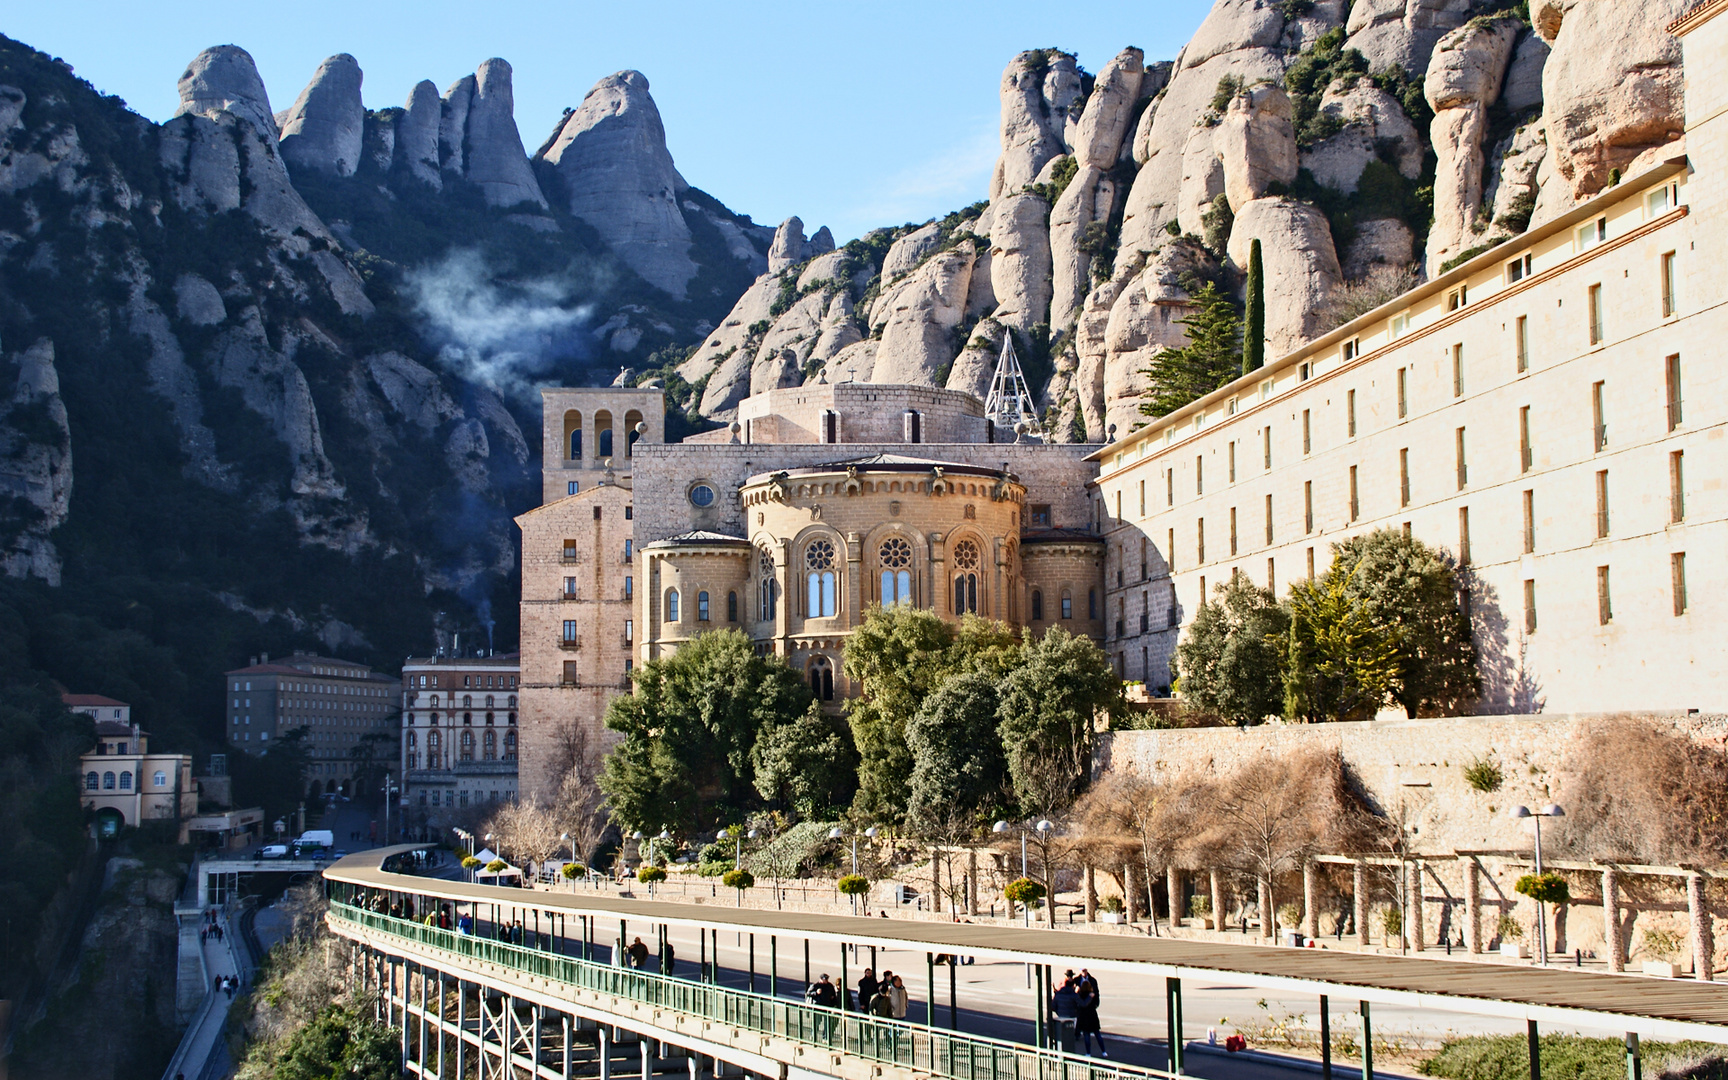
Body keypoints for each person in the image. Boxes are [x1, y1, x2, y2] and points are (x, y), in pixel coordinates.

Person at [1074, 970, 1107, 1057]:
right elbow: (1096, 1002)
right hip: (1093, 1015)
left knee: (1086, 1035)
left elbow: (1081, 1003)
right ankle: (1103, 1051)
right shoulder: (1092, 994)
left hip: (1084, 1016)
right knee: (1097, 1033)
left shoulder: (1080, 995)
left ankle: (1088, 1052)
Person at [1050, 972, 1080, 1050]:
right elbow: (1081, 1004)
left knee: (1062, 1032)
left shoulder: (1060, 991)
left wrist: (1058, 1010)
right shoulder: (1073, 994)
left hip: (1061, 1014)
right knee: (1069, 1033)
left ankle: (1061, 1047)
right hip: (1072, 1015)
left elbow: (1053, 1005)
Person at [806, 974, 840, 1040]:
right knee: (816, 1023)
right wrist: (816, 992)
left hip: (827, 1007)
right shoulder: (815, 986)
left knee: (827, 1024)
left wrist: (833, 1001)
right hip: (818, 1007)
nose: (826, 981)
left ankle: (825, 1038)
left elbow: (833, 995)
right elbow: (808, 993)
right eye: (825, 979)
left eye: (827, 979)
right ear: (821, 979)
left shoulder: (830, 986)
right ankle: (813, 1036)